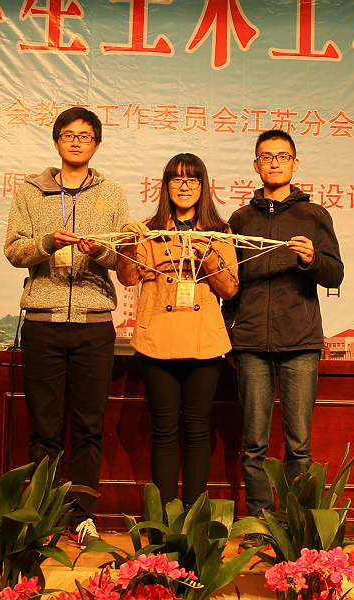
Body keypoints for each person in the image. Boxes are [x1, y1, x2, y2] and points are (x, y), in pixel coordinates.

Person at [4, 107, 130, 548]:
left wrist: (100, 252)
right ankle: (40, 515)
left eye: (85, 135)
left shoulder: (112, 194)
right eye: (68, 134)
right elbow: (13, 250)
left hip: (94, 325)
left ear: (97, 144)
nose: (76, 141)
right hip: (43, 321)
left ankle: (82, 517)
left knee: (89, 427)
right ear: (57, 140)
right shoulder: (29, 191)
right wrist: (45, 242)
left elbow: (124, 258)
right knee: (44, 428)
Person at [222, 130, 344, 550]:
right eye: (266, 156)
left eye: (282, 156)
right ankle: (259, 524)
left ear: (295, 163)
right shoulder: (240, 219)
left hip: (301, 340)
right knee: (253, 443)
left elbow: (335, 274)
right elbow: (229, 281)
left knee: (299, 445)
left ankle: (296, 526)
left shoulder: (314, 215)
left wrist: (312, 258)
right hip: (251, 340)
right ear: (256, 165)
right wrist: (231, 330)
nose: (274, 162)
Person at [116, 153, 238, 510]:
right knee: (164, 431)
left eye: (192, 179)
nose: (184, 186)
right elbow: (128, 277)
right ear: (166, 186)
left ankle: (193, 517)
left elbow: (230, 289)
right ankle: (165, 518)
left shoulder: (220, 231)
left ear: (203, 186)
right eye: (177, 179)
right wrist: (127, 243)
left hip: (204, 339)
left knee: (198, 430)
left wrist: (209, 257)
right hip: (158, 337)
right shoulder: (147, 229)